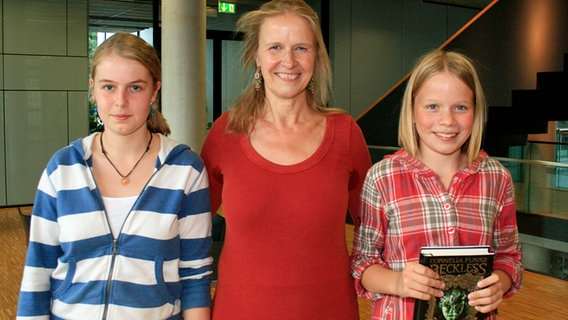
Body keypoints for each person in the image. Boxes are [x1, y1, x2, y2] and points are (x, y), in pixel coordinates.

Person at [17, 33, 212, 320]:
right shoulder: (63, 168)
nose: (120, 101)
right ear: (92, 89)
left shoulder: (185, 170)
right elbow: (38, 271)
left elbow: (195, 275)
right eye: (109, 87)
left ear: (154, 91)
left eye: (135, 87)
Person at [200, 0, 372, 318]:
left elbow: (378, 234)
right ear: (256, 55)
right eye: (275, 47)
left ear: (316, 57)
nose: (288, 61)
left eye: (301, 48)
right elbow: (188, 232)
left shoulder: (345, 133)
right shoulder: (227, 132)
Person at [350, 50, 523, 320]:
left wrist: (500, 282)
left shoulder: (497, 178)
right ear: (412, 111)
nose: (447, 121)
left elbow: (509, 256)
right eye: (433, 106)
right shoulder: (383, 177)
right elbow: (362, 263)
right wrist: (398, 282)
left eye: (460, 107)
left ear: (475, 112)